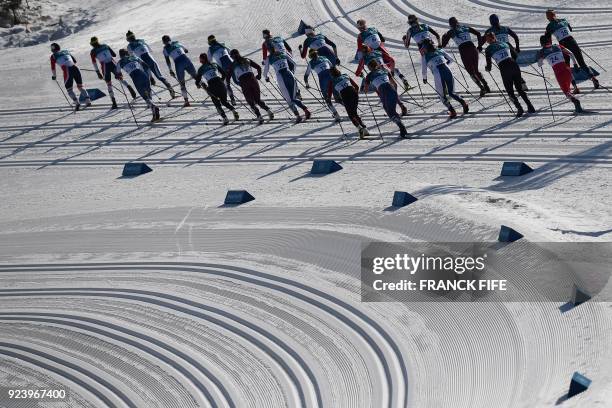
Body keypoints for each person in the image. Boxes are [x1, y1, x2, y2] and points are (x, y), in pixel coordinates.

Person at [543, 9, 599, 89]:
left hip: (563, 44)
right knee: (582, 63)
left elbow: (548, 40)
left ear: (548, 17)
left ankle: (575, 87)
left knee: (567, 66)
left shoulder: (549, 26)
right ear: (555, 15)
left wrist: (547, 35)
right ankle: (594, 78)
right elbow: (570, 29)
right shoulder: (563, 20)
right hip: (572, 41)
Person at [484, 32, 535, 117]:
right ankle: (530, 107)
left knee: (510, 91)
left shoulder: (488, 49)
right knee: (519, 89)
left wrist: (487, 68)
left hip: (504, 69)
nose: (486, 41)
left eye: (486, 39)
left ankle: (519, 109)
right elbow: (515, 55)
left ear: (489, 39)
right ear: (495, 37)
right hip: (514, 65)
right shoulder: (506, 43)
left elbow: (489, 67)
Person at [441, 17, 490, 96]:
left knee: (471, 72)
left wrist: (443, 37)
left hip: (464, 52)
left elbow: (443, 45)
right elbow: (478, 33)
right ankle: (486, 85)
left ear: (450, 25)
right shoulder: (465, 27)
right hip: (473, 49)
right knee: (476, 70)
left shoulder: (450, 32)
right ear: (458, 22)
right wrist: (480, 46)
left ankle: (482, 88)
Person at [421, 40, 468, 118]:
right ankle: (464, 103)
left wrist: (424, 79)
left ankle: (452, 111)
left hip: (438, 74)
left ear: (425, 48)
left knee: (442, 96)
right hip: (448, 70)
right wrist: (446, 64)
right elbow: (451, 59)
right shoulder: (440, 50)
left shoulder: (424, 56)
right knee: (452, 92)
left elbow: (424, 71)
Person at [357, 45, 408, 116]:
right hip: (385, 71)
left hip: (375, 75)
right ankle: (401, 105)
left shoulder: (364, 58)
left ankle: (391, 113)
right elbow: (390, 59)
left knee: (381, 93)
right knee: (392, 89)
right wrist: (392, 70)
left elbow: (358, 71)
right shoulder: (378, 52)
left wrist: (359, 73)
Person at [480, 15, 528, 91]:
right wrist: (517, 47)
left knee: (506, 70)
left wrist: (479, 47)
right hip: (510, 49)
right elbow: (515, 36)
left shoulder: (489, 31)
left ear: (490, 22)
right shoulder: (505, 28)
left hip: (500, 50)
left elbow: (482, 41)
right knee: (514, 67)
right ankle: (522, 84)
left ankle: (514, 87)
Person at [537, 36, 583, 113]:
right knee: (568, 87)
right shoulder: (558, 46)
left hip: (558, 73)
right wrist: (575, 64)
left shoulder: (542, 51)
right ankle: (575, 91)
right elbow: (571, 53)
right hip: (567, 69)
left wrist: (540, 58)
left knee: (566, 92)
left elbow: (539, 64)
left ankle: (575, 101)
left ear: (541, 43)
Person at [364, 60, 409, 138]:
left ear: (370, 67)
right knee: (388, 109)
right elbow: (394, 84)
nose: (368, 68)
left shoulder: (369, 75)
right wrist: (395, 95)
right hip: (391, 89)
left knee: (390, 112)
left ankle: (401, 127)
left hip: (383, 91)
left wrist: (364, 79)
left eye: (368, 67)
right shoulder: (384, 71)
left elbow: (365, 90)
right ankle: (401, 126)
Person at [264, 48, 311, 123]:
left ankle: (300, 115)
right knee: (293, 96)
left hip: (281, 78)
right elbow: (294, 64)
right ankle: (305, 111)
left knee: (289, 99)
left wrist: (266, 78)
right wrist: (292, 73)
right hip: (290, 74)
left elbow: (265, 71)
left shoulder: (269, 58)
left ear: (269, 50)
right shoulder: (283, 53)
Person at [228, 49, 274, 125]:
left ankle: (259, 117)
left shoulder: (232, 65)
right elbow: (258, 67)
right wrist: (259, 76)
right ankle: (269, 111)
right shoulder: (247, 60)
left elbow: (228, 77)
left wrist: (228, 84)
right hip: (253, 80)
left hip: (244, 83)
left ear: (232, 57)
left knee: (251, 102)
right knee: (258, 100)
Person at [125, 30, 175, 98]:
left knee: (146, 81)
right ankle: (170, 89)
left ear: (128, 39)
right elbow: (150, 51)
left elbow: (132, 58)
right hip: (152, 61)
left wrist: (151, 77)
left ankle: (149, 98)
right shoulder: (142, 41)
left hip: (143, 64)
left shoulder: (129, 46)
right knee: (160, 76)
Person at [90, 36, 136, 109]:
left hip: (105, 66)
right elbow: (114, 55)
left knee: (109, 84)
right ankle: (128, 86)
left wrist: (98, 72)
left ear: (92, 44)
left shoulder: (93, 51)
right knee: (120, 78)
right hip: (113, 63)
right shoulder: (105, 45)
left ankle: (114, 102)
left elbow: (94, 63)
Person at [115, 49, 160, 121]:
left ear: (120, 55)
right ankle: (154, 113)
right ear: (127, 53)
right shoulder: (134, 57)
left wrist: (120, 78)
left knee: (145, 96)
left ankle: (153, 106)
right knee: (149, 94)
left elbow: (117, 75)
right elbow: (146, 66)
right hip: (144, 75)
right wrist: (151, 77)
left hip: (136, 78)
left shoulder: (119, 62)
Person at [195, 53, 238, 125]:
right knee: (224, 101)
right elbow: (224, 74)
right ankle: (234, 110)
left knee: (217, 104)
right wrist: (221, 80)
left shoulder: (201, 69)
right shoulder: (214, 64)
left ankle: (225, 118)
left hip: (212, 86)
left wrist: (198, 85)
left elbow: (197, 80)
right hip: (220, 83)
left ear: (202, 60)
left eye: (200, 59)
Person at [328, 67, 370, 138]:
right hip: (353, 93)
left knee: (351, 115)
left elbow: (329, 94)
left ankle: (360, 129)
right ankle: (365, 129)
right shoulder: (345, 75)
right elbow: (356, 87)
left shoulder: (332, 81)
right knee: (355, 113)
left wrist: (328, 99)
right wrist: (355, 95)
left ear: (331, 74)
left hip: (345, 96)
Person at [49, 43, 91, 111]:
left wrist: (54, 76)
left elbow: (53, 67)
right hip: (75, 68)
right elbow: (74, 61)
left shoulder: (53, 56)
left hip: (67, 70)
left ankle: (77, 103)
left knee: (69, 90)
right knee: (80, 86)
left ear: (52, 49)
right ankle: (88, 101)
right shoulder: (66, 51)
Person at [304, 49, 340, 120]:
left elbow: (306, 76)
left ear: (311, 56)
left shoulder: (311, 63)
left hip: (323, 80)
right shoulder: (324, 58)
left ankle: (336, 115)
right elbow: (332, 67)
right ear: (317, 54)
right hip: (331, 77)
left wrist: (307, 84)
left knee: (327, 99)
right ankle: (351, 110)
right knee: (338, 98)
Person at [161, 35, 197, 107]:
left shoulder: (165, 49)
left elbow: (168, 61)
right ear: (170, 39)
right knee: (197, 77)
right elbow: (186, 50)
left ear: (163, 42)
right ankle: (210, 92)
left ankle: (186, 101)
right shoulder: (177, 43)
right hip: (186, 60)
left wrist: (170, 70)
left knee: (182, 83)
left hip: (178, 64)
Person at [206, 35, 236, 104]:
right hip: (232, 64)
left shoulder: (210, 49)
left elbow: (209, 61)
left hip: (223, 67)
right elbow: (230, 52)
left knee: (226, 84)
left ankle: (232, 99)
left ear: (209, 42)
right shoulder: (222, 44)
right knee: (238, 81)